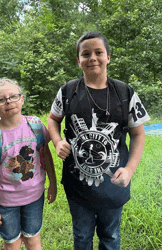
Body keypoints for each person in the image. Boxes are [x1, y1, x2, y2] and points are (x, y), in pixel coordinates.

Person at [48, 31, 150, 250]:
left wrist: (130, 170)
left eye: (98, 52)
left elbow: (138, 134)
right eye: (85, 54)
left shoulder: (124, 93)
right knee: (82, 237)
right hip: (77, 185)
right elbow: (53, 119)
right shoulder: (68, 92)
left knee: (110, 237)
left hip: (114, 184)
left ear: (108, 57)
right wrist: (56, 141)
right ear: (78, 60)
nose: (92, 57)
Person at [0, 78, 57, 250]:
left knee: (33, 239)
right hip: (5, 201)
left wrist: (53, 183)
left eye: (13, 96)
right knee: (12, 243)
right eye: (1, 99)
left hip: (35, 197)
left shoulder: (36, 126)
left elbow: (46, 155)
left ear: (22, 99)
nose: (9, 101)